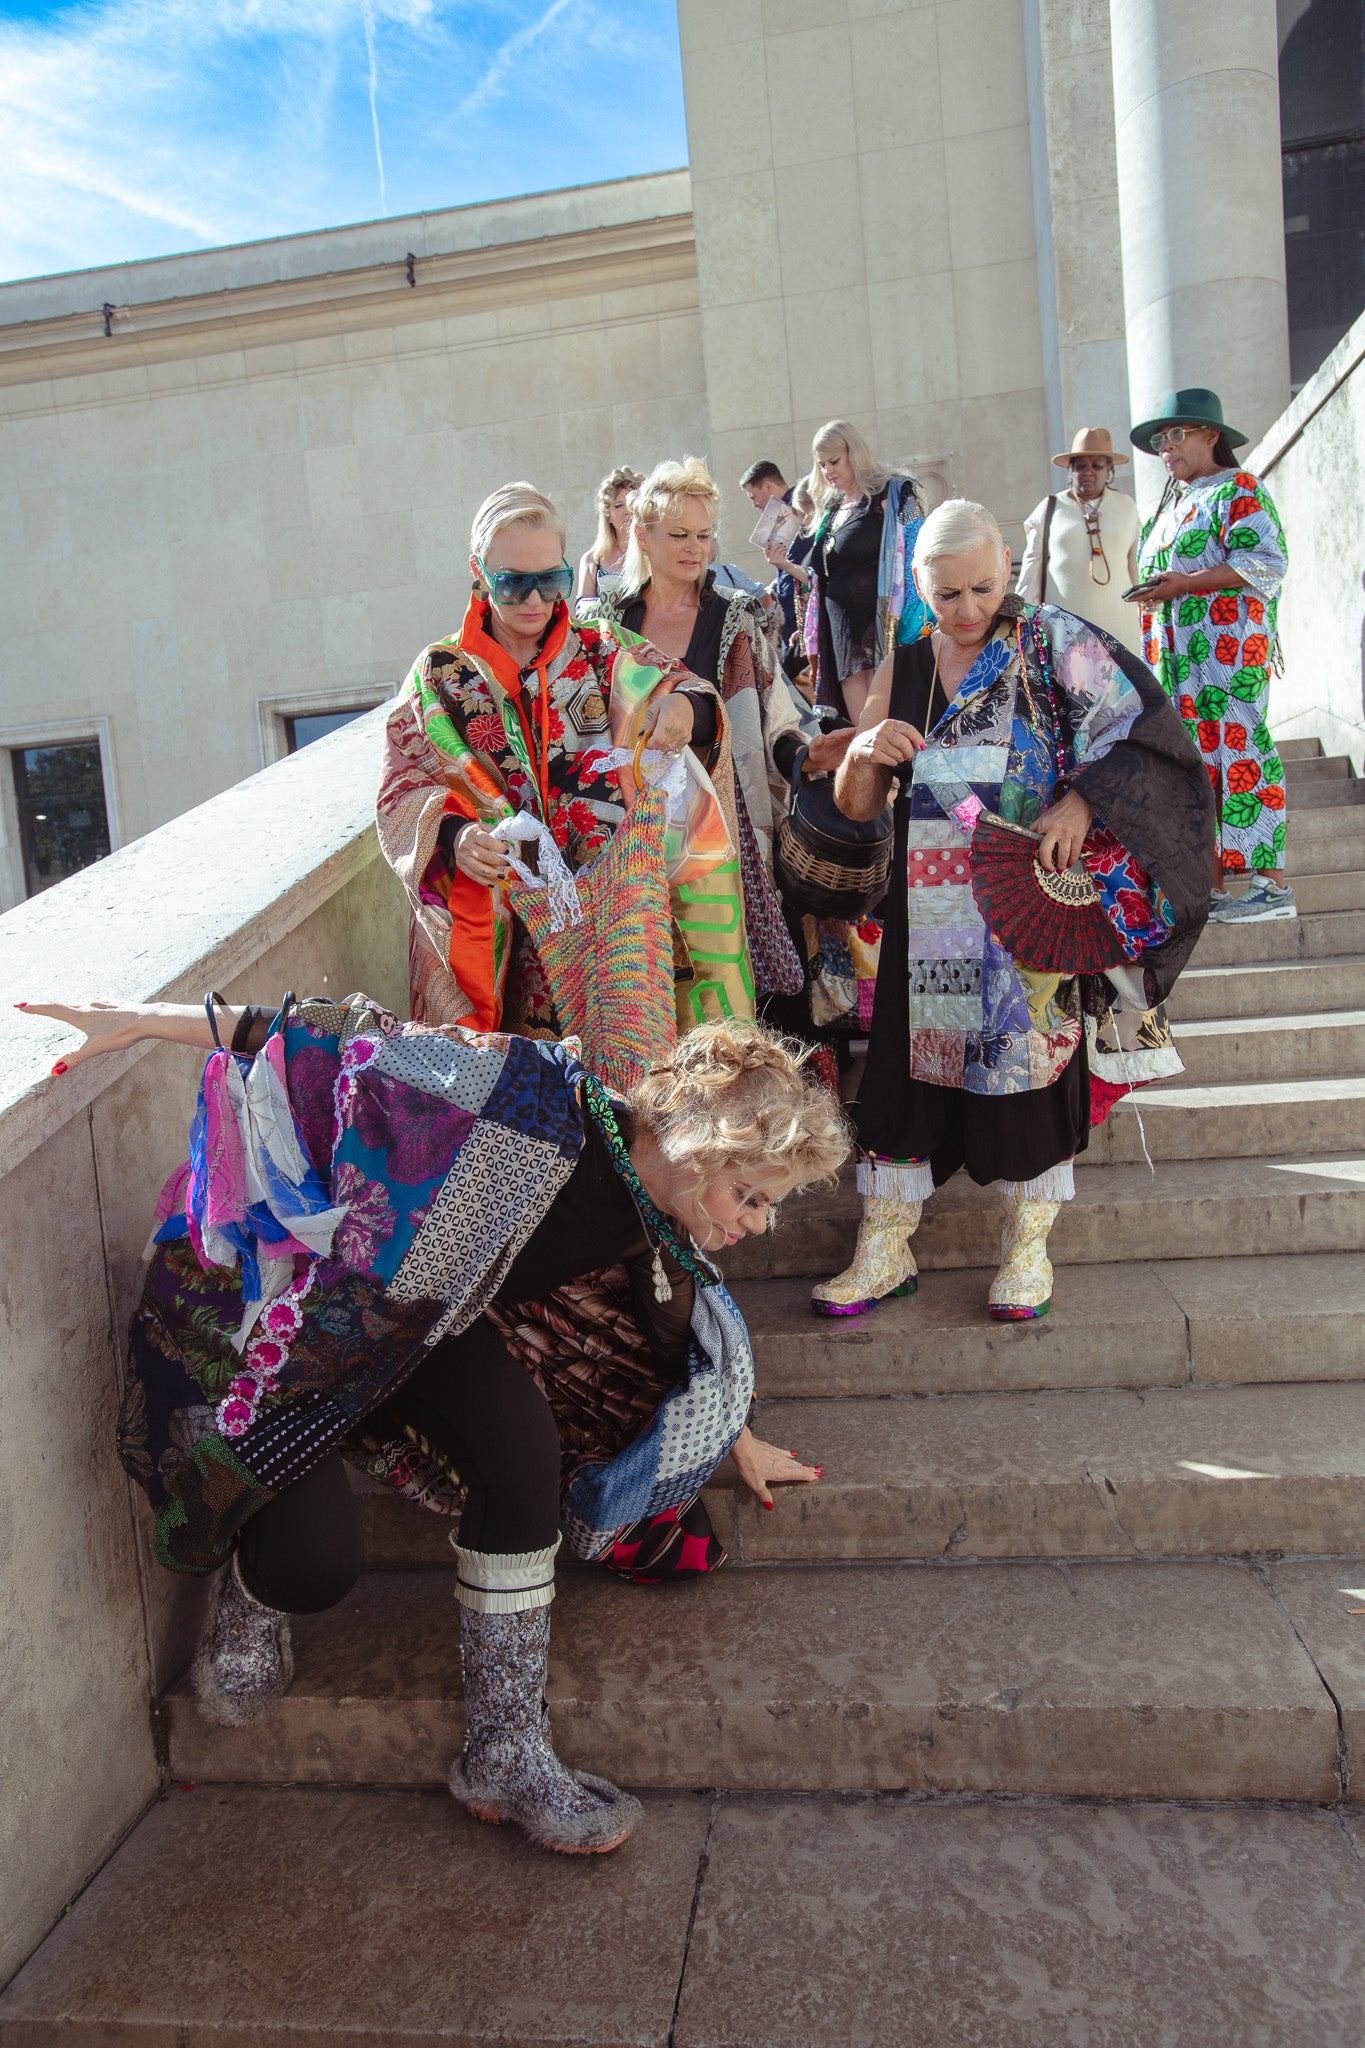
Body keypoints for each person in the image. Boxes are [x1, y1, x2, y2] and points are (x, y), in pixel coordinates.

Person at [26, 993, 848, 1855]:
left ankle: (505, 1748)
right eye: (748, 1194)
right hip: (285, 1322)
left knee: (521, 1451)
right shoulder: (527, 1096)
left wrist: (735, 1432)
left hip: (419, 1331)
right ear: (693, 1145)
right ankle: (250, 1600)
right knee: (312, 1567)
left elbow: (672, 1337)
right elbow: (338, 1037)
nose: (754, 1224)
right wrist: (140, 1017)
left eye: (767, 1208)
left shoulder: (655, 1218)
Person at [812, 499, 1213, 1323]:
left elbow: (1141, 733)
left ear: (1008, 567)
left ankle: (1027, 1249)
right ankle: (884, 1249)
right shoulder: (906, 666)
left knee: (1027, 1082)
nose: (966, 611)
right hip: (930, 914)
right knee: (906, 1088)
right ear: (918, 589)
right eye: (946, 595)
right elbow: (857, 808)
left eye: (982, 588)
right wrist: (860, 751)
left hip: (1027, 906)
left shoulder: (1056, 645)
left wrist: (1078, 803)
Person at [377, 481, 753, 1040]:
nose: (535, 601)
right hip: (512, 935)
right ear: (477, 572)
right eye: (514, 583)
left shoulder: (605, 647)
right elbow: (400, 789)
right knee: (536, 1101)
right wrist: (454, 836)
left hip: (618, 924)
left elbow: (697, 698)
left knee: (635, 1085)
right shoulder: (438, 678)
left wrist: (683, 708)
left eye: (551, 580)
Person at [592, 456, 823, 1005]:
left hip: (724, 828)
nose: (694, 547)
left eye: (704, 534)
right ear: (642, 536)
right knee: (650, 990)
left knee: (727, 986)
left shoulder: (736, 617)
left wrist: (807, 757)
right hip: (635, 828)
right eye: (678, 534)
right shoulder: (606, 621)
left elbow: (772, 715)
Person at [1130, 387, 1296, 924]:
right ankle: (1215, 887)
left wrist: (1184, 584)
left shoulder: (1238, 489)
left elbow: (1266, 560)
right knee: (1195, 764)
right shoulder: (1172, 503)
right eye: (1159, 439)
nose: (1166, 448)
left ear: (1212, 435)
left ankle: (1271, 887)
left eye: (1177, 434)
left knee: (1240, 748)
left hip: (1227, 650)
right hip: (1176, 659)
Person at [804, 419, 931, 727]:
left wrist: (912, 625)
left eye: (834, 461)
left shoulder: (893, 493)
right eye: (821, 465)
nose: (827, 471)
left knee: (890, 725)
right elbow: (823, 573)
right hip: (840, 634)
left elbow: (919, 554)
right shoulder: (832, 507)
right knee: (863, 733)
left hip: (883, 630)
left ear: (855, 453)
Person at [1016, 428, 1143, 653]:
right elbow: (1031, 568)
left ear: (1109, 470)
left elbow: (1134, 566)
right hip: (1066, 630)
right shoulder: (1049, 508)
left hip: (1120, 626)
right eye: (1080, 466)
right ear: (1070, 470)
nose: (1088, 472)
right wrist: (1019, 613)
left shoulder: (1127, 507)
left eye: (1097, 466)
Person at [741, 458, 800, 655]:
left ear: (767, 486)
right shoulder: (784, 513)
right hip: (790, 605)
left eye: (753, 496)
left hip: (801, 604)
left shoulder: (801, 508)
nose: (754, 504)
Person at [573, 465, 641, 617]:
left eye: (631, 504)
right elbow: (582, 617)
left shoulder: (654, 554)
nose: (627, 512)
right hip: (606, 639)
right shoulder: (592, 560)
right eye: (618, 506)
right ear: (608, 514)